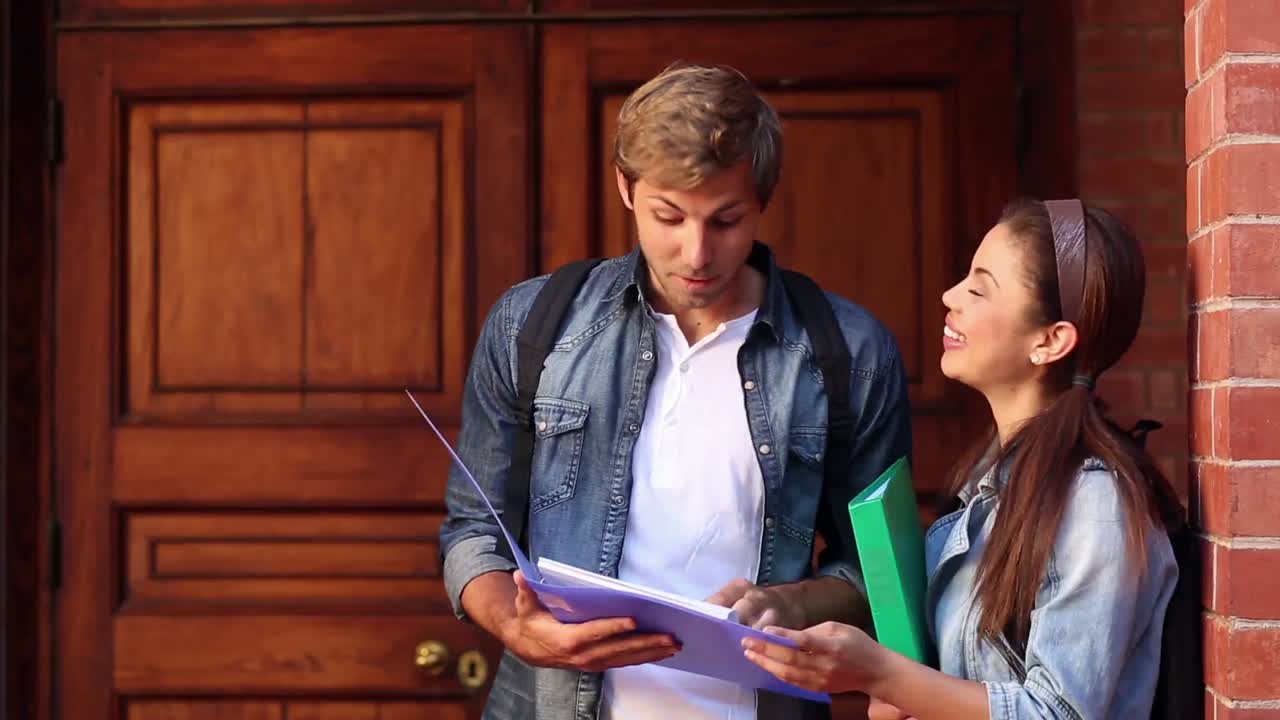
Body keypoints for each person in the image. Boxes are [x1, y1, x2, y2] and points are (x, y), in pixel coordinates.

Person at [439, 62, 912, 720]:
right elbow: (473, 530)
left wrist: (791, 603)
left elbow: (880, 575)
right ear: (626, 188)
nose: (695, 253)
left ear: (764, 202)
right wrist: (514, 627)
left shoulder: (851, 353)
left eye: (725, 221)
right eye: (670, 216)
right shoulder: (533, 326)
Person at [741, 198, 1184, 720]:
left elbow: (1058, 712)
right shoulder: (989, 481)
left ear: (1049, 341)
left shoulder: (1095, 503)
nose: (951, 296)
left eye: (979, 288)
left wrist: (885, 676)